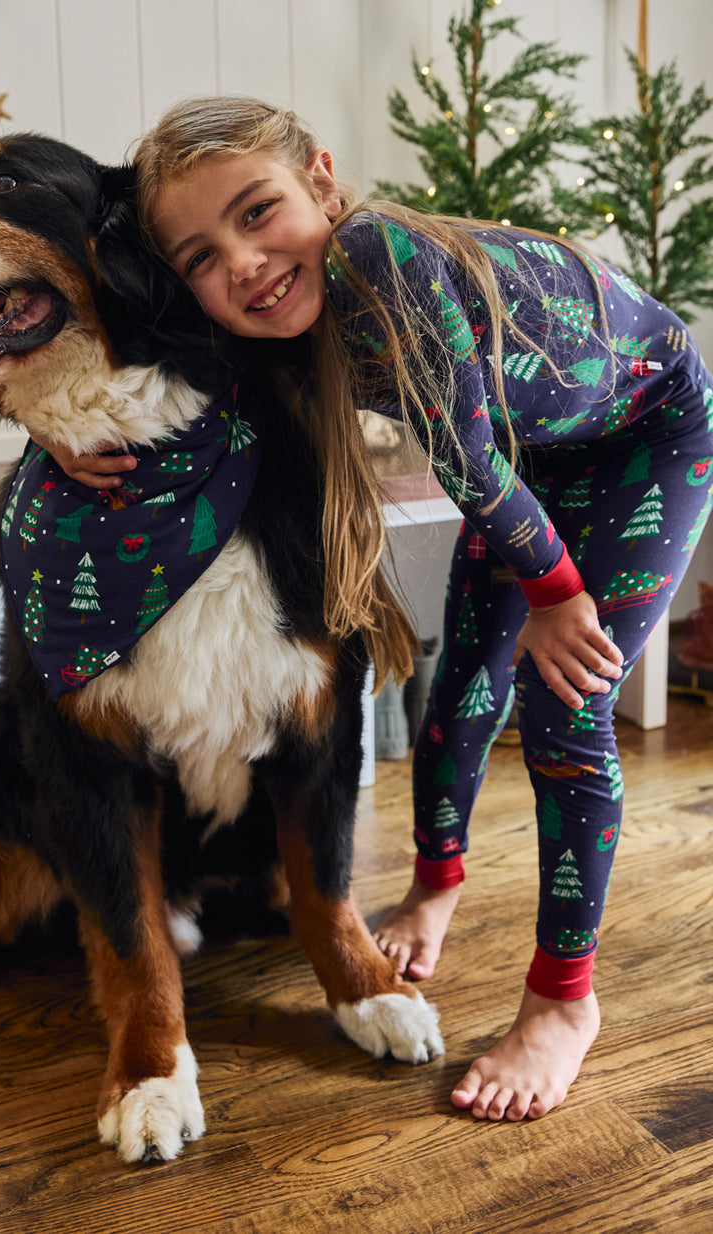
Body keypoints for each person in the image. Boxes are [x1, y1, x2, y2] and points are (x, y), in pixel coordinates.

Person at [55, 95, 713, 1122]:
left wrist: (555, 592)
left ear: (319, 175)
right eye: (198, 256)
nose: (240, 260)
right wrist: (62, 435)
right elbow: (154, 371)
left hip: (646, 435)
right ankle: (434, 885)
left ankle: (561, 1003)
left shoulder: (375, 252)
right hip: (530, 461)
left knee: (560, 709)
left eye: (258, 211)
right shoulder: (283, 314)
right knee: (459, 683)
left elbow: (466, 458)